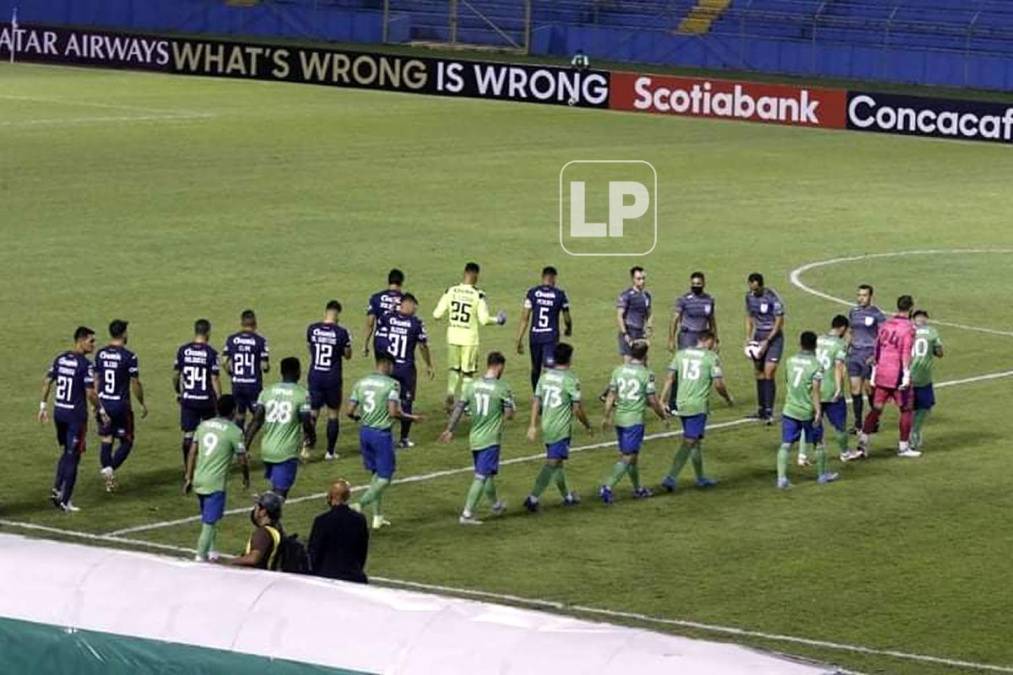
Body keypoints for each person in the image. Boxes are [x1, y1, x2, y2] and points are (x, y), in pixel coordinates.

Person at [347, 353, 424, 530]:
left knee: (375, 475)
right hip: (381, 435)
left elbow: (349, 411)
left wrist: (358, 417)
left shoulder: (361, 382)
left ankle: (378, 517)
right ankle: (359, 505)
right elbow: (393, 413)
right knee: (385, 477)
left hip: (365, 433)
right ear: (388, 365)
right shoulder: (392, 384)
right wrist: (412, 417)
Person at [439, 351, 514, 525]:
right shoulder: (502, 387)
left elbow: (459, 408)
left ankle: (495, 505)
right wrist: (506, 411)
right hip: (490, 439)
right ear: (499, 366)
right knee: (481, 476)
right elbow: (509, 414)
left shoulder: (472, 385)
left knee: (487, 474)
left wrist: (450, 429)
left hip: (475, 438)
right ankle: (466, 514)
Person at [38, 326, 103, 512]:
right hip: (76, 416)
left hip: (60, 412)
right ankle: (65, 501)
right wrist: (101, 410)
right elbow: (90, 393)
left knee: (67, 451)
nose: (93, 345)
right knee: (74, 456)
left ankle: (57, 489)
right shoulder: (85, 365)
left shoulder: (60, 358)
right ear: (81, 341)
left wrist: (43, 405)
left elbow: (47, 381)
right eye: (91, 341)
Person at [659, 331, 732, 492]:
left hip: (681, 403)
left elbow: (669, 378)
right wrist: (728, 398)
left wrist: (662, 400)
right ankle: (671, 477)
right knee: (689, 441)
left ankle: (700, 478)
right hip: (697, 406)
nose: (714, 345)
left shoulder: (681, 354)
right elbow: (719, 385)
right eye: (714, 342)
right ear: (708, 340)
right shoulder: (711, 357)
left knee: (695, 442)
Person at [523, 343, 592, 512]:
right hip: (560, 429)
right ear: (569, 358)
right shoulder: (570, 379)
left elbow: (536, 401)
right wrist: (587, 425)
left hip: (547, 425)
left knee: (558, 464)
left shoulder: (544, 377)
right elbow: (576, 409)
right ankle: (533, 498)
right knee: (552, 463)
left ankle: (567, 496)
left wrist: (533, 425)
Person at [599, 342, 668, 504]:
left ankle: (638, 489)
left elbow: (610, 396)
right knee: (628, 457)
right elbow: (652, 400)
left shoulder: (618, 370)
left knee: (633, 456)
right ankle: (607, 487)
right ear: (645, 355)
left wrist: (606, 416)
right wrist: (663, 416)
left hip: (620, 419)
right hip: (634, 421)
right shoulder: (646, 374)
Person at [432, 262, 507, 412]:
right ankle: (462, 404)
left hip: (453, 336)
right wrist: (498, 320)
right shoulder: (477, 294)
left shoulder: (451, 291)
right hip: (469, 339)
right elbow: (484, 320)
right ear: (476, 275)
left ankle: (450, 393)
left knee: (454, 369)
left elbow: (436, 314)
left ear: (464, 273)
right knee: (468, 373)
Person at [183, 394, 249, 563]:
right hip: (215, 483)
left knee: (208, 516)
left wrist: (188, 477)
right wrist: (246, 477)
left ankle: (212, 551)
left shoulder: (203, 426)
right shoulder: (235, 431)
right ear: (234, 411)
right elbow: (242, 458)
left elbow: (192, 452)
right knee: (209, 522)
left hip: (199, 479)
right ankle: (199, 557)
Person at [851, 295, 919, 459]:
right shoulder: (908, 328)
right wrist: (906, 375)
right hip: (897, 374)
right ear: (910, 308)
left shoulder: (887, 324)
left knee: (876, 409)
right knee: (906, 409)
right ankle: (903, 447)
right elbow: (905, 352)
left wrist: (875, 371)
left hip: (882, 373)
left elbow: (877, 347)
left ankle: (863, 444)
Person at [244, 357, 313, 499]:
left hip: (267, 449)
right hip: (285, 452)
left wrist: (245, 446)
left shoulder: (267, 392)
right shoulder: (302, 394)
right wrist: (311, 438)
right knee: (280, 496)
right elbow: (306, 421)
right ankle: (264, 513)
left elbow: (256, 421)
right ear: (298, 372)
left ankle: (266, 509)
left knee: (276, 489)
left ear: (281, 372)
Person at [95, 319, 148, 492]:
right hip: (120, 406)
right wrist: (142, 402)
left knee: (106, 439)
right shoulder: (129, 356)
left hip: (103, 403)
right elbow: (135, 382)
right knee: (127, 441)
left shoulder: (100, 354)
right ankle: (109, 471)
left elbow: (96, 379)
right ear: (124, 333)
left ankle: (108, 474)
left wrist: (95, 403)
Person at [375, 293, 434, 448]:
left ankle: (384, 434)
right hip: (406, 369)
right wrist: (429, 365)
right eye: (414, 305)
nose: (415, 309)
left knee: (384, 401)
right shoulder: (416, 323)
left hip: (389, 367)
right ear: (408, 304)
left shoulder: (387, 318)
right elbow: (422, 345)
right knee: (406, 403)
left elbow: (379, 339)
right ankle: (404, 438)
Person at [775, 331, 829, 489]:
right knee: (818, 443)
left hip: (790, 409)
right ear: (815, 346)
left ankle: (781, 479)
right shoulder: (816, 365)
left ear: (800, 344)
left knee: (786, 444)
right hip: (807, 411)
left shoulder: (790, 361)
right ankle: (822, 476)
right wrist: (818, 410)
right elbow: (815, 390)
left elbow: (787, 381)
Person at [306, 300, 352, 460]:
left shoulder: (312, 329)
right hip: (332, 377)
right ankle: (330, 452)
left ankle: (306, 448)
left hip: (315, 374)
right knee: (333, 414)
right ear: (337, 313)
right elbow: (347, 355)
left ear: (325, 311)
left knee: (313, 412)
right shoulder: (341, 332)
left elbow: (310, 349)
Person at [173, 319, 221, 468]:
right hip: (206, 399)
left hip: (189, 399)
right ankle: (208, 465)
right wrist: (219, 398)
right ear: (208, 332)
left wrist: (178, 391)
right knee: (210, 432)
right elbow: (214, 378)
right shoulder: (211, 353)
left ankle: (188, 466)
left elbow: (176, 375)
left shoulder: (183, 350)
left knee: (189, 434)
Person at [666, 271, 718, 411]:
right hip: (687, 336)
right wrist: (671, 338)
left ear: (704, 284)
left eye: (699, 284)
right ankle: (673, 403)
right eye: (694, 284)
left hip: (703, 338)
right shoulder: (684, 299)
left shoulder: (709, 300)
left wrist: (715, 339)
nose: (696, 286)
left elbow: (711, 320)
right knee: (682, 369)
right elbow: (675, 319)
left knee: (702, 370)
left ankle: (699, 401)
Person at [515, 266, 572, 392]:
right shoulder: (559, 295)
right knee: (549, 368)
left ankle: (537, 395)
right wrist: (569, 328)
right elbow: (566, 317)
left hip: (534, 336)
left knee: (536, 369)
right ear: (554, 278)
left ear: (543, 277)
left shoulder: (532, 293)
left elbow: (525, 318)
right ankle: (548, 396)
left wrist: (518, 340)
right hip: (550, 337)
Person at [308, 480, 369, 583]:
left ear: (331, 496)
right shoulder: (359, 519)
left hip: (327, 577)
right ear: (348, 496)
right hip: (353, 576)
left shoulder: (321, 521)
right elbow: (362, 551)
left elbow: (314, 552)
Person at [744, 273, 785, 424]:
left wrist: (768, 341)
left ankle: (769, 411)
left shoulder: (772, 297)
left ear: (761, 285)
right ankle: (761, 410)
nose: (754, 291)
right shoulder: (749, 297)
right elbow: (749, 317)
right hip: (758, 336)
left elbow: (779, 321)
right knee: (759, 373)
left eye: (757, 288)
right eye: (752, 288)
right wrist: (748, 337)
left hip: (773, 338)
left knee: (769, 372)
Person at [222, 309, 270, 432]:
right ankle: (248, 435)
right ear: (255, 323)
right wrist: (267, 368)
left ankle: (239, 437)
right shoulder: (260, 341)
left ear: (241, 323)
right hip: (253, 385)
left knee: (240, 413)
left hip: (237, 383)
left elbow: (224, 361)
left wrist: (231, 373)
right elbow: (264, 366)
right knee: (259, 414)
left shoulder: (231, 339)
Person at [847, 285, 886, 434]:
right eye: (859, 295)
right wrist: (847, 347)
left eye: (864, 295)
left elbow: (883, 337)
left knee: (869, 388)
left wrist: (876, 355)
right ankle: (857, 424)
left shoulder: (877, 314)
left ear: (871, 297)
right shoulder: (853, 312)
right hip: (855, 355)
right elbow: (851, 331)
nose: (860, 298)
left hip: (869, 355)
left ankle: (873, 419)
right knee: (855, 389)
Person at [812, 315, 851, 464]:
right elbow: (839, 367)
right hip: (830, 389)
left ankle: (814, 454)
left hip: (815, 390)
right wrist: (839, 388)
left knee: (815, 422)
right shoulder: (840, 344)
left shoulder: (818, 339)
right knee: (840, 426)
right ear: (842, 328)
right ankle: (844, 453)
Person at [910, 310, 943, 452]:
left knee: (908, 408)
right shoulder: (932, 332)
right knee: (924, 407)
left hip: (907, 376)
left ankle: (906, 438)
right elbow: (940, 353)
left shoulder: (908, 331)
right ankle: (915, 431)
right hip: (924, 377)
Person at [230, 491, 285, 570]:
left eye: (256, 507)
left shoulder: (263, 533)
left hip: (255, 577)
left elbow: (253, 558)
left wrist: (230, 562)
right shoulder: (276, 529)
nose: (254, 510)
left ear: (263, 512)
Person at [362, 268, 405, 357]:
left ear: (388, 282)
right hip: (398, 342)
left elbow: (370, 323)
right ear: (401, 283)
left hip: (380, 341)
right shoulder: (405, 300)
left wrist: (365, 344)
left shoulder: (376, 298)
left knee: (381, 369)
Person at [616, 266, 652, 364]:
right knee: (628, 362)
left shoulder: (647, 296)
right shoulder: (626, 295)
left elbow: (649, 313)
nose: (642, 281)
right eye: (639, 279)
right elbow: (620, 316)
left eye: (643, 278)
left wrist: (649, 327)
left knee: (644, 361)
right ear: (633, 279)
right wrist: (625, 334)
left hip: (640, 333)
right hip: (630, 331)